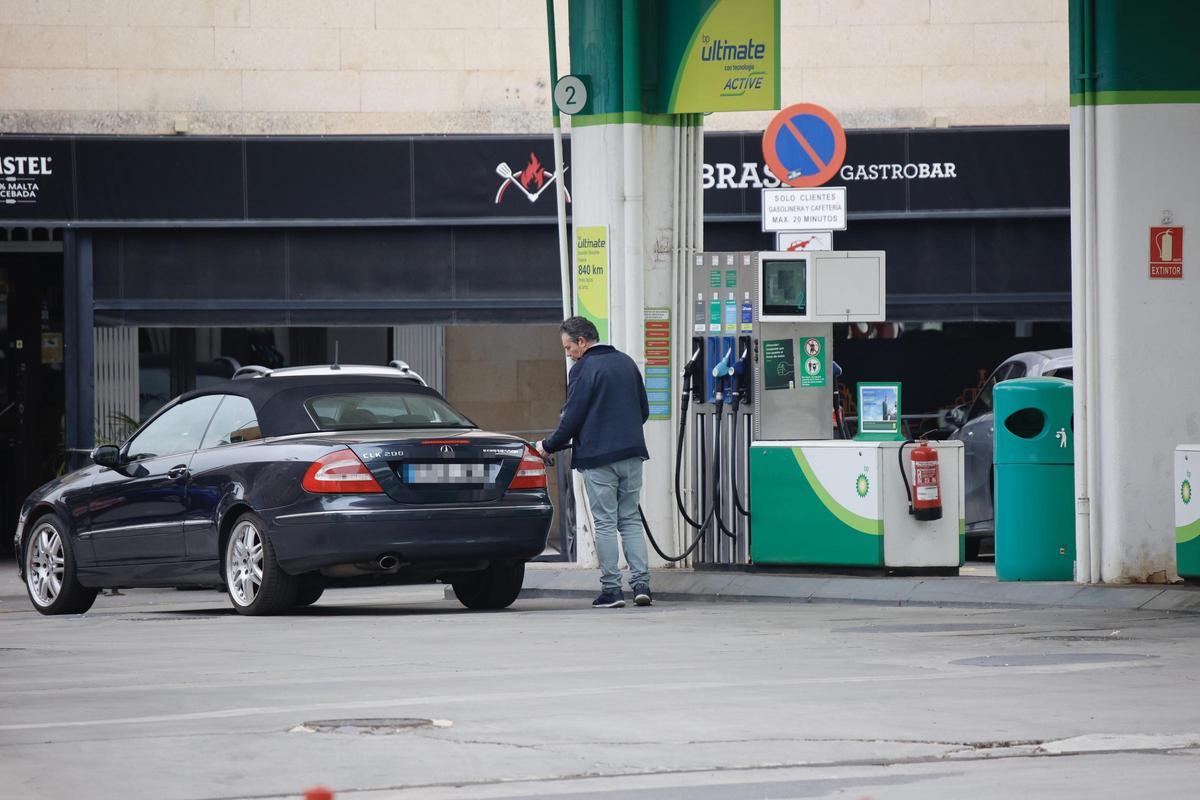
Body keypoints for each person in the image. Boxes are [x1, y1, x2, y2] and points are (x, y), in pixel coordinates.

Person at [537, 316, 652, 608]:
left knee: (605, 523)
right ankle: (642, 585)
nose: (568, 354)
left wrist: (548, 446)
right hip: (632, 454)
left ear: (582, 342)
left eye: (568, 347)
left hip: (598, 459)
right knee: (630, 520)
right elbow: (644, 410)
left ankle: (612, 590)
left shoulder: (583, 369)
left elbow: (572, 418)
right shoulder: (627, 362)